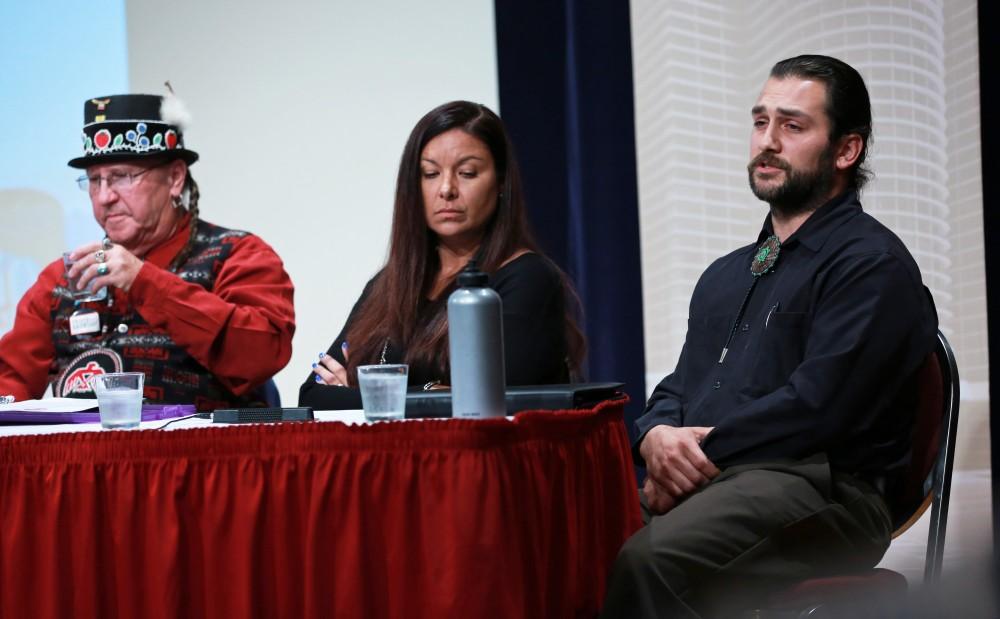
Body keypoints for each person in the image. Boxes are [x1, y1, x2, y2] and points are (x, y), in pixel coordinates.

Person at [600, 55, 938, 618]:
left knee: (650, 559)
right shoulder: (728, 273)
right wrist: (655, 438)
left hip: (828, 490)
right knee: (578, 543)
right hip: (729, 478)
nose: (768, 142)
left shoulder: (870, 264)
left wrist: (695, 458)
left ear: (846, 150)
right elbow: (681, 386)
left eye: (793, 126)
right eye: (761, 123)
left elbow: (817, 406)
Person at [0, 93, 295, 410]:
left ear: (174, 177)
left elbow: (261, 353)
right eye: (94, 181)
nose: (104, 197)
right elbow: (10, 380)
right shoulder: (63, 278)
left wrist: (144, 282)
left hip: (202, 455)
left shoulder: (237, 255)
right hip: (86, 455)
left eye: (121, 177)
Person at [298, 100, 584, 409]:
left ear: (501, 182)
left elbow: (488, 404)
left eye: (467, 173)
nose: (446, 189)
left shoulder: (528, 279)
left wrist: (367, 393)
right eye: (430, 174)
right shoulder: (388, 284)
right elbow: (313, 396)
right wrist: (432, 391)